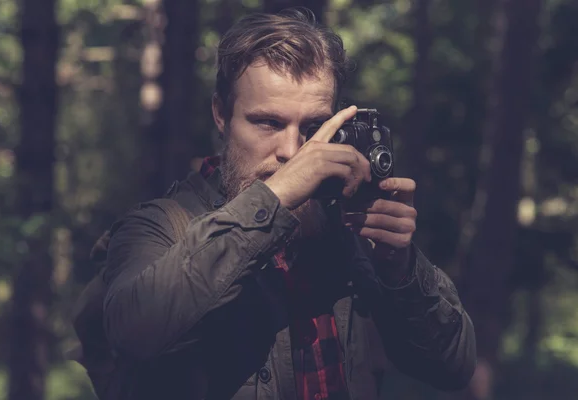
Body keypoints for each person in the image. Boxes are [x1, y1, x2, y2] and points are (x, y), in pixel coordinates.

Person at [99, 8, 476, 400]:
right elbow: (133, 333)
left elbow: (452, 365)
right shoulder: (159, 224)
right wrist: (276, 196)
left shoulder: (345, 229)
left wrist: (400, 270)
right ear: (221, 115)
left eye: (313, 128)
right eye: (268, 123)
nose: (293, 151)